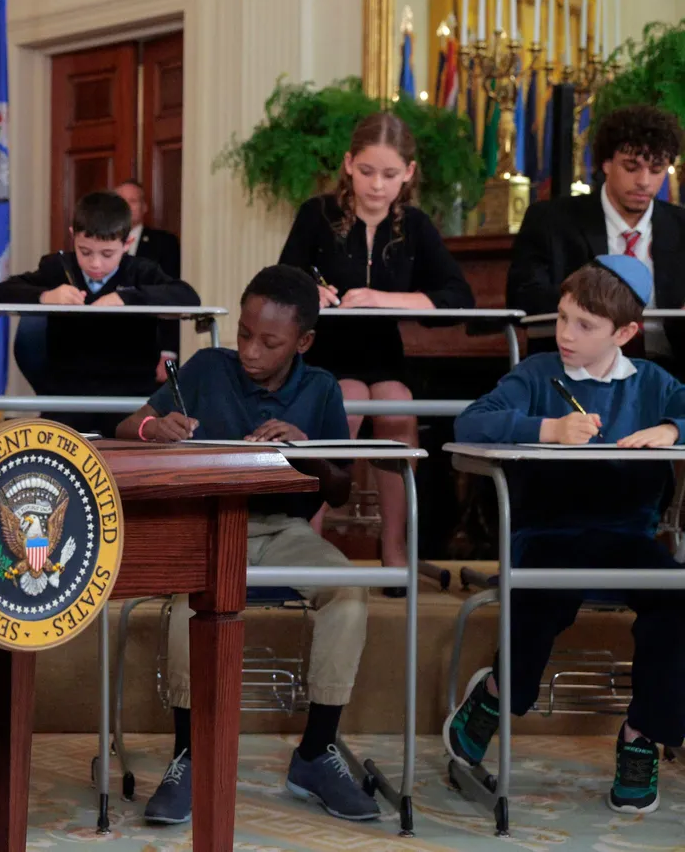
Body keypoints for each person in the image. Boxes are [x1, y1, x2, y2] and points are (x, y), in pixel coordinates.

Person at [114, 265, 379, 824]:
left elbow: (340, 485)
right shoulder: (209, 369)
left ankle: (315, 751)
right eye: (244, 335)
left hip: (285, 530)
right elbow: (129, 423)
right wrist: (152, 430)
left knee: (349, 590)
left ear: (303, 341)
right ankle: (190, 752)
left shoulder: (322, 388)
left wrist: (307, 449)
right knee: (197, 601)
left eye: (269, 342)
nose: (251, 351)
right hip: (210, 525)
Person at [450, 255, 685, 815]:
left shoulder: (652, 383)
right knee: (540, 596)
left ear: (625, 333)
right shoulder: (536, 375)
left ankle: (641, 736)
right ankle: (499, 693)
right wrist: (546, 429)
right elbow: (472, 422)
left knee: (678, 600)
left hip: (626, 538)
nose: (565, 334)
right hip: (546, 534)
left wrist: (671, 427)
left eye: (585, 326)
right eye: (561, 318)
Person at [278, 111, 474, 572]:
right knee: (344, 403)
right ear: (348, 165)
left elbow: (456, 297)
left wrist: (383, 298)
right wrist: (313, 292)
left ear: (408, 173)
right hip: (325, 353)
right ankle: (308, 540)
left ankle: (394, 547)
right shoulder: (317, 214)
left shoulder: (416, 225)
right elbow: (284, 281)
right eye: (367, 172)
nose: (377, 186)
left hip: (383, 355)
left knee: (397, 409)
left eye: (389, 175)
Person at [0, 190, 200, 436]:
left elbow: (188, 297)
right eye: (85, 252)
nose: (95, 264)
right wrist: (46, 296)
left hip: (130, 397)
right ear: (73, 237)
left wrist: (126, 298)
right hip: (67, 396)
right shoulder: (58, 268)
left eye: (107, 254)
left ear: (127, 244)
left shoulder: (141, 271)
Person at [508, 105, 685, 373]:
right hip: (576, 370)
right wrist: (600, 312)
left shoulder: (681, 226)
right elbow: (523, 298)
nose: (644, 182)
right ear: (605, 163)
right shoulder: (551, 220)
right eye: (631, 167)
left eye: (657, 169)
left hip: (670, 372)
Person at [114, 179, 183, 381]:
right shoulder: (99, 242)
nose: (126, 206)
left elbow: (172, 297)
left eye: (132, 200)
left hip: (151, 346)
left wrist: (168, 352)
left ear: (144, 207)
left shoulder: (164, 243)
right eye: (120, 201)